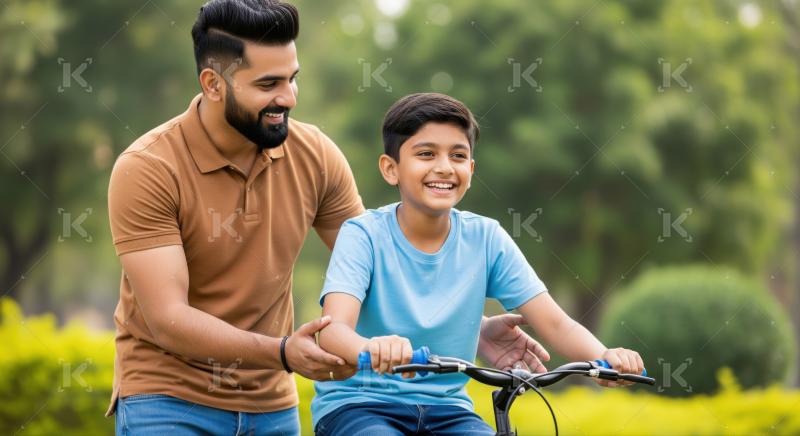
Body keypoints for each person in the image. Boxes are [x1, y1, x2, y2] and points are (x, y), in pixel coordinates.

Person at [106, 1, 550, 434]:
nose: (288, 97)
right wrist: (283, 352)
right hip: (167, 401)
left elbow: (379, 268)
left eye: (293, 79)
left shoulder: (314, 155)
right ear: (213, 83)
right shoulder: (148, 168)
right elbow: (168, 318)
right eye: (268, 84)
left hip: (270, 404)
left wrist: (470, 329)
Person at [313, 93, 645, 435]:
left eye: (458, 155)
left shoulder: (485, 238)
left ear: (470, 170)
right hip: (360, 406)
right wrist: (371, 348)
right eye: (426, 154)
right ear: (391, 168)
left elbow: (556, 324)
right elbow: (332, 332)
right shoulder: (363, 234)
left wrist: (606, 356)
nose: (444, 166)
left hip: (448, 411)